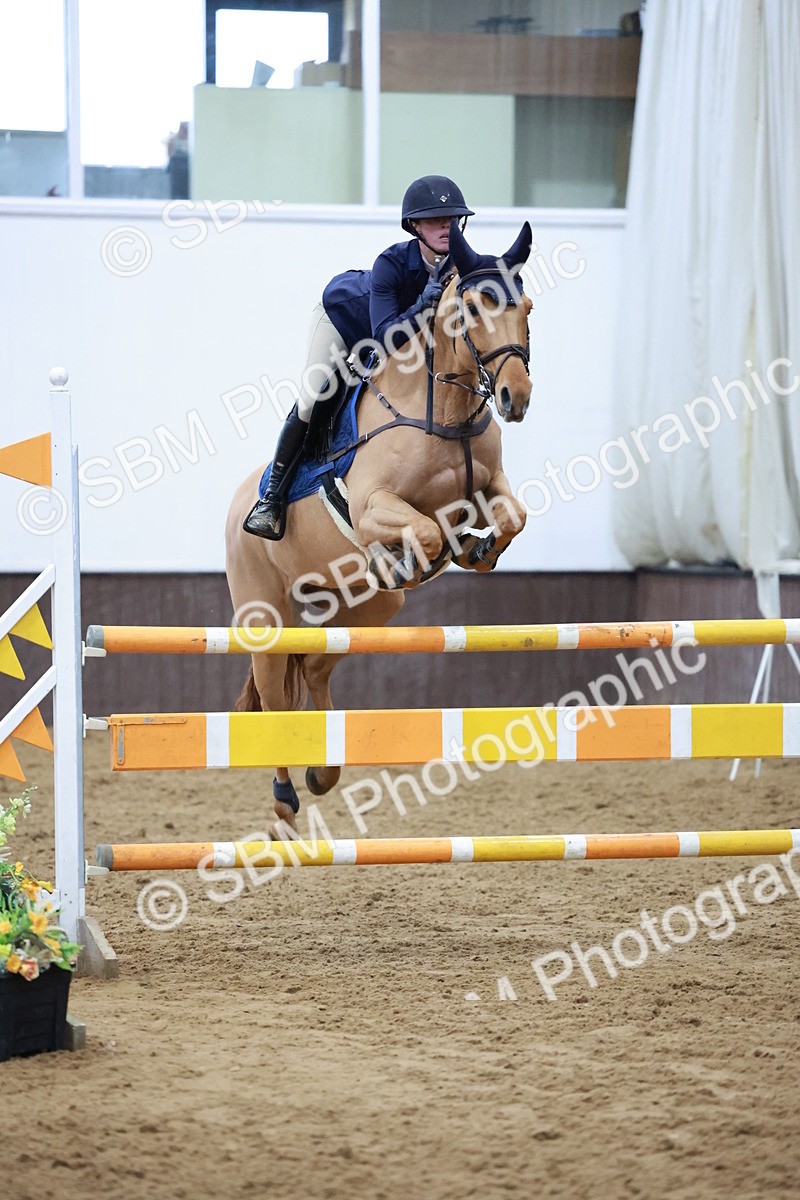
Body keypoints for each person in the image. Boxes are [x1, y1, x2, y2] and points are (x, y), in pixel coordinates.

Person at [243, 175, 474, 539]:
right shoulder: (391, 263)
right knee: (312, 399)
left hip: (395, 336)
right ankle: (271, 499)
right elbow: (385, 336)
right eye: (434, 220)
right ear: (415, 226)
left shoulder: (461, 266)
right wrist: (426, 301)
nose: (446, 227)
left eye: (451, 219)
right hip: (344, 322)